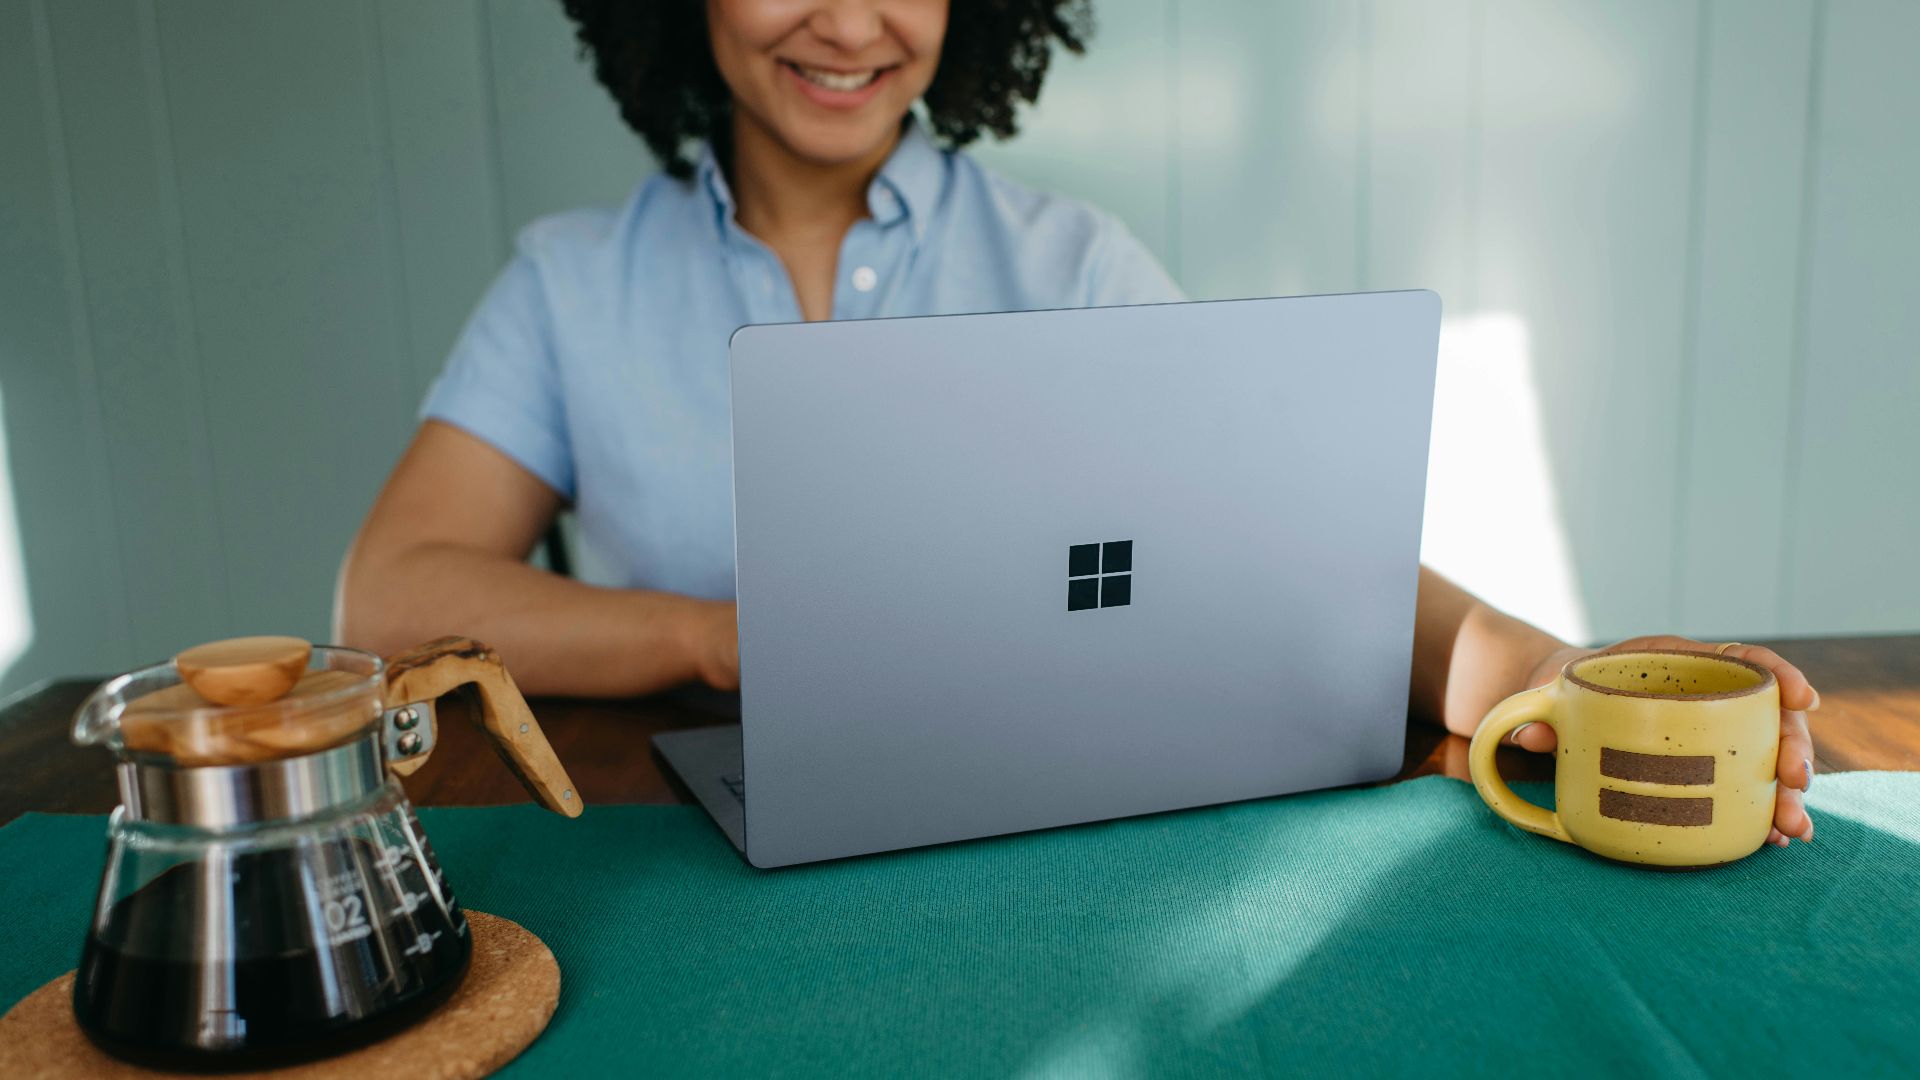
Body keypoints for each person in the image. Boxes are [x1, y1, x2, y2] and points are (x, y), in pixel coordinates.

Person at [336, 0, 1816, 846]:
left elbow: (1292, 563)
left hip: (1051, 840)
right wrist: (720, 639)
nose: (846, 22)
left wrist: (1559, 678)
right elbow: (391, 597)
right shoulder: (568, 284)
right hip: (689, 851)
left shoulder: (1074, 263)